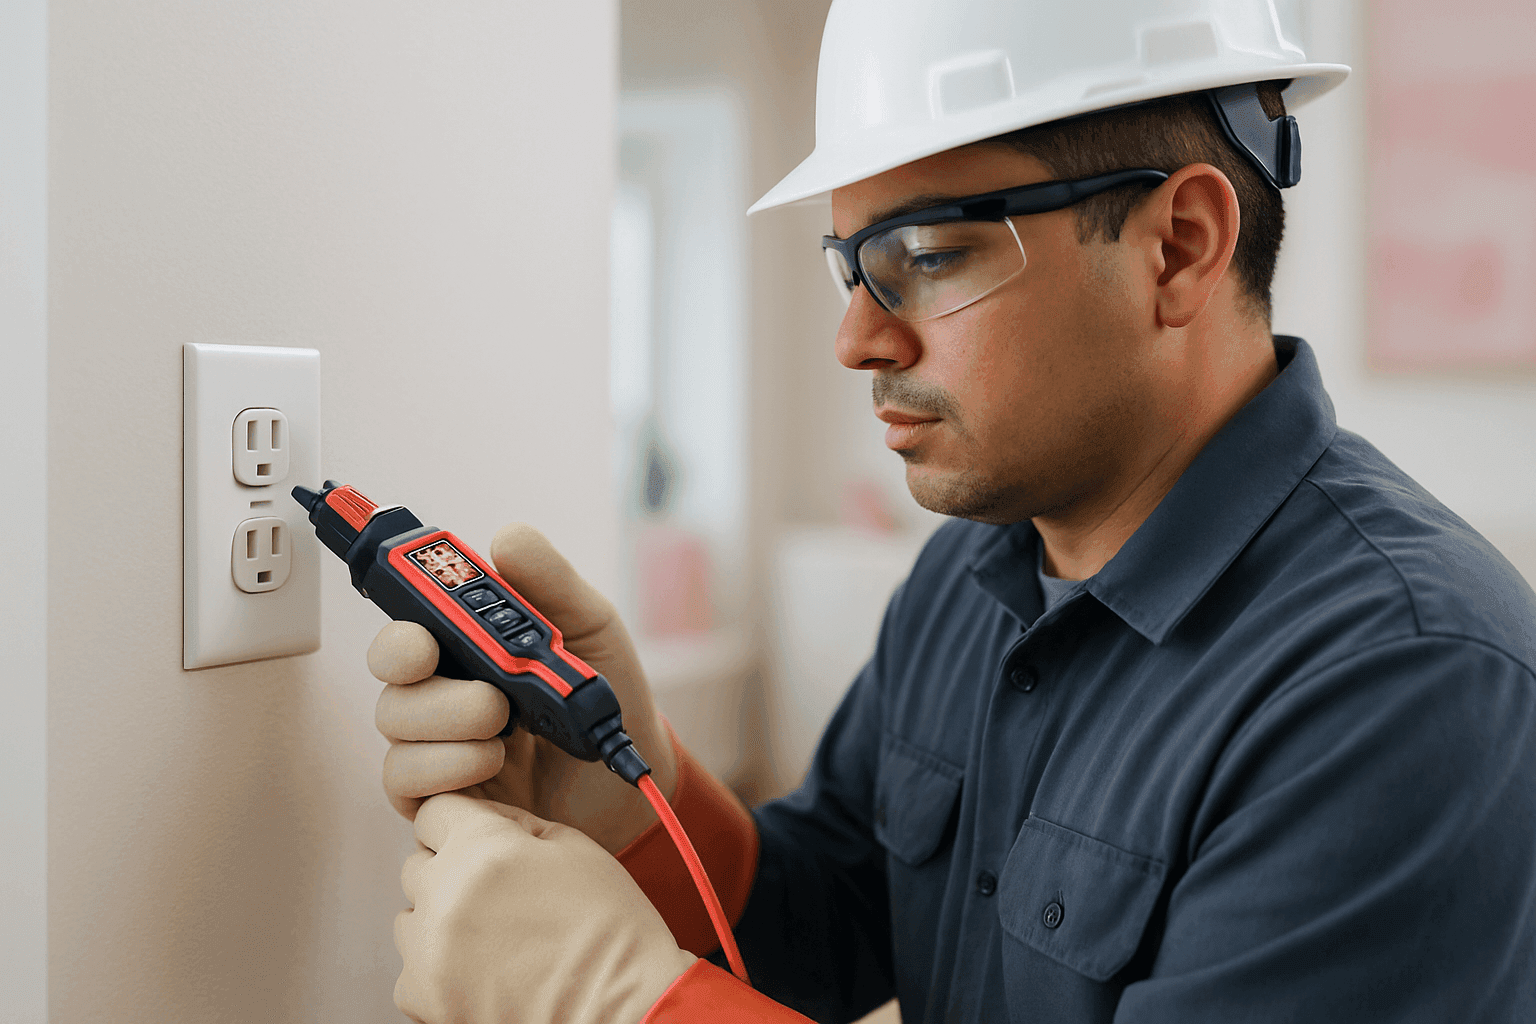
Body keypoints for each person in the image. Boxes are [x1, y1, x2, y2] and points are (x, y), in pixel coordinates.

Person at [370, 1, 1536, 1021]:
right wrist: (644, 806)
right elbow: (821, 924)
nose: (856, 339)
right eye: (852, 264)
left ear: (1178, 247)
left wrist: (624, 1001)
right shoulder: (969, 578)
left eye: (926, 255)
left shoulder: (1404, 686)